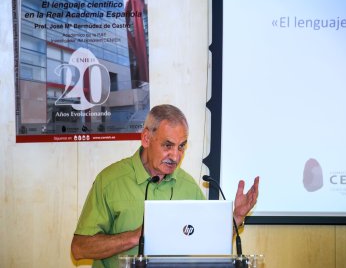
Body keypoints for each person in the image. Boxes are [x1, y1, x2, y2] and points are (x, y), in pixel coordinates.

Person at [71, 104, 260, 268]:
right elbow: (79, 248)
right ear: (146, 138)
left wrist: (236, 217)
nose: (176, 156)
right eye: (167, 145)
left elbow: (207, 240)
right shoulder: (110, 181)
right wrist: (135, 237)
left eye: (181, 146)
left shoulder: (187, 186)